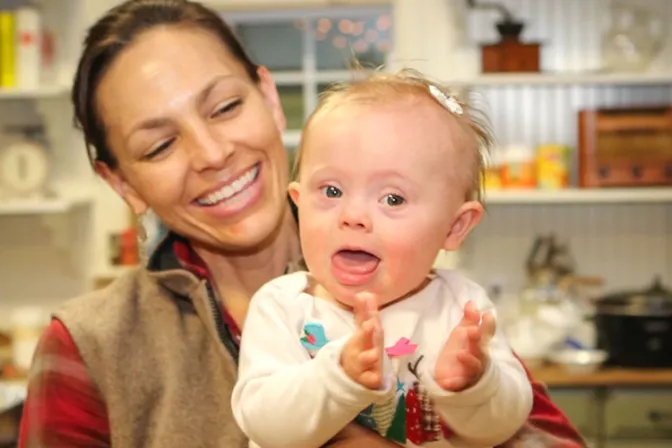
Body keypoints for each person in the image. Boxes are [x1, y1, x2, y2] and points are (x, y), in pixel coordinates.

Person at [17, 0, 587, 447]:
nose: (212, 153)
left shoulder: (427, 289)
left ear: (268, 96)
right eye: (161, 144)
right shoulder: (90, 345)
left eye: (225, 107)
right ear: (121, 184)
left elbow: (524, 424)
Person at [231, 71, 532, 448]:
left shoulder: (460, 309)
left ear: (454, 227)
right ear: (298, 202)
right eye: (332, 190)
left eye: (393, 199)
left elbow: (502, 426)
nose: (353, 215)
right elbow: (266, 426)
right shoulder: (282, 308)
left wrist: (475, 384)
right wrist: (339, 376)